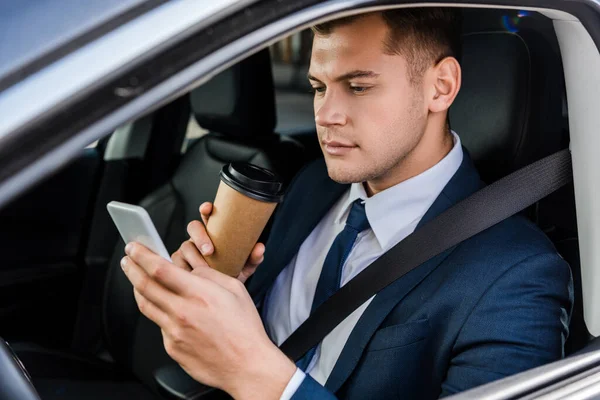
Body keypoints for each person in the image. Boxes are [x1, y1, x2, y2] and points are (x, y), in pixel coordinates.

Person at [120, 8, 573, 399]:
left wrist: (254, 373)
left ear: (441, 86)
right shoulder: (314, 184)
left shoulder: (517, 275)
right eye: (319, 87)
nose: (325, 114)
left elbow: (254, 369)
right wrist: (219, 297)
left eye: (357, 87)